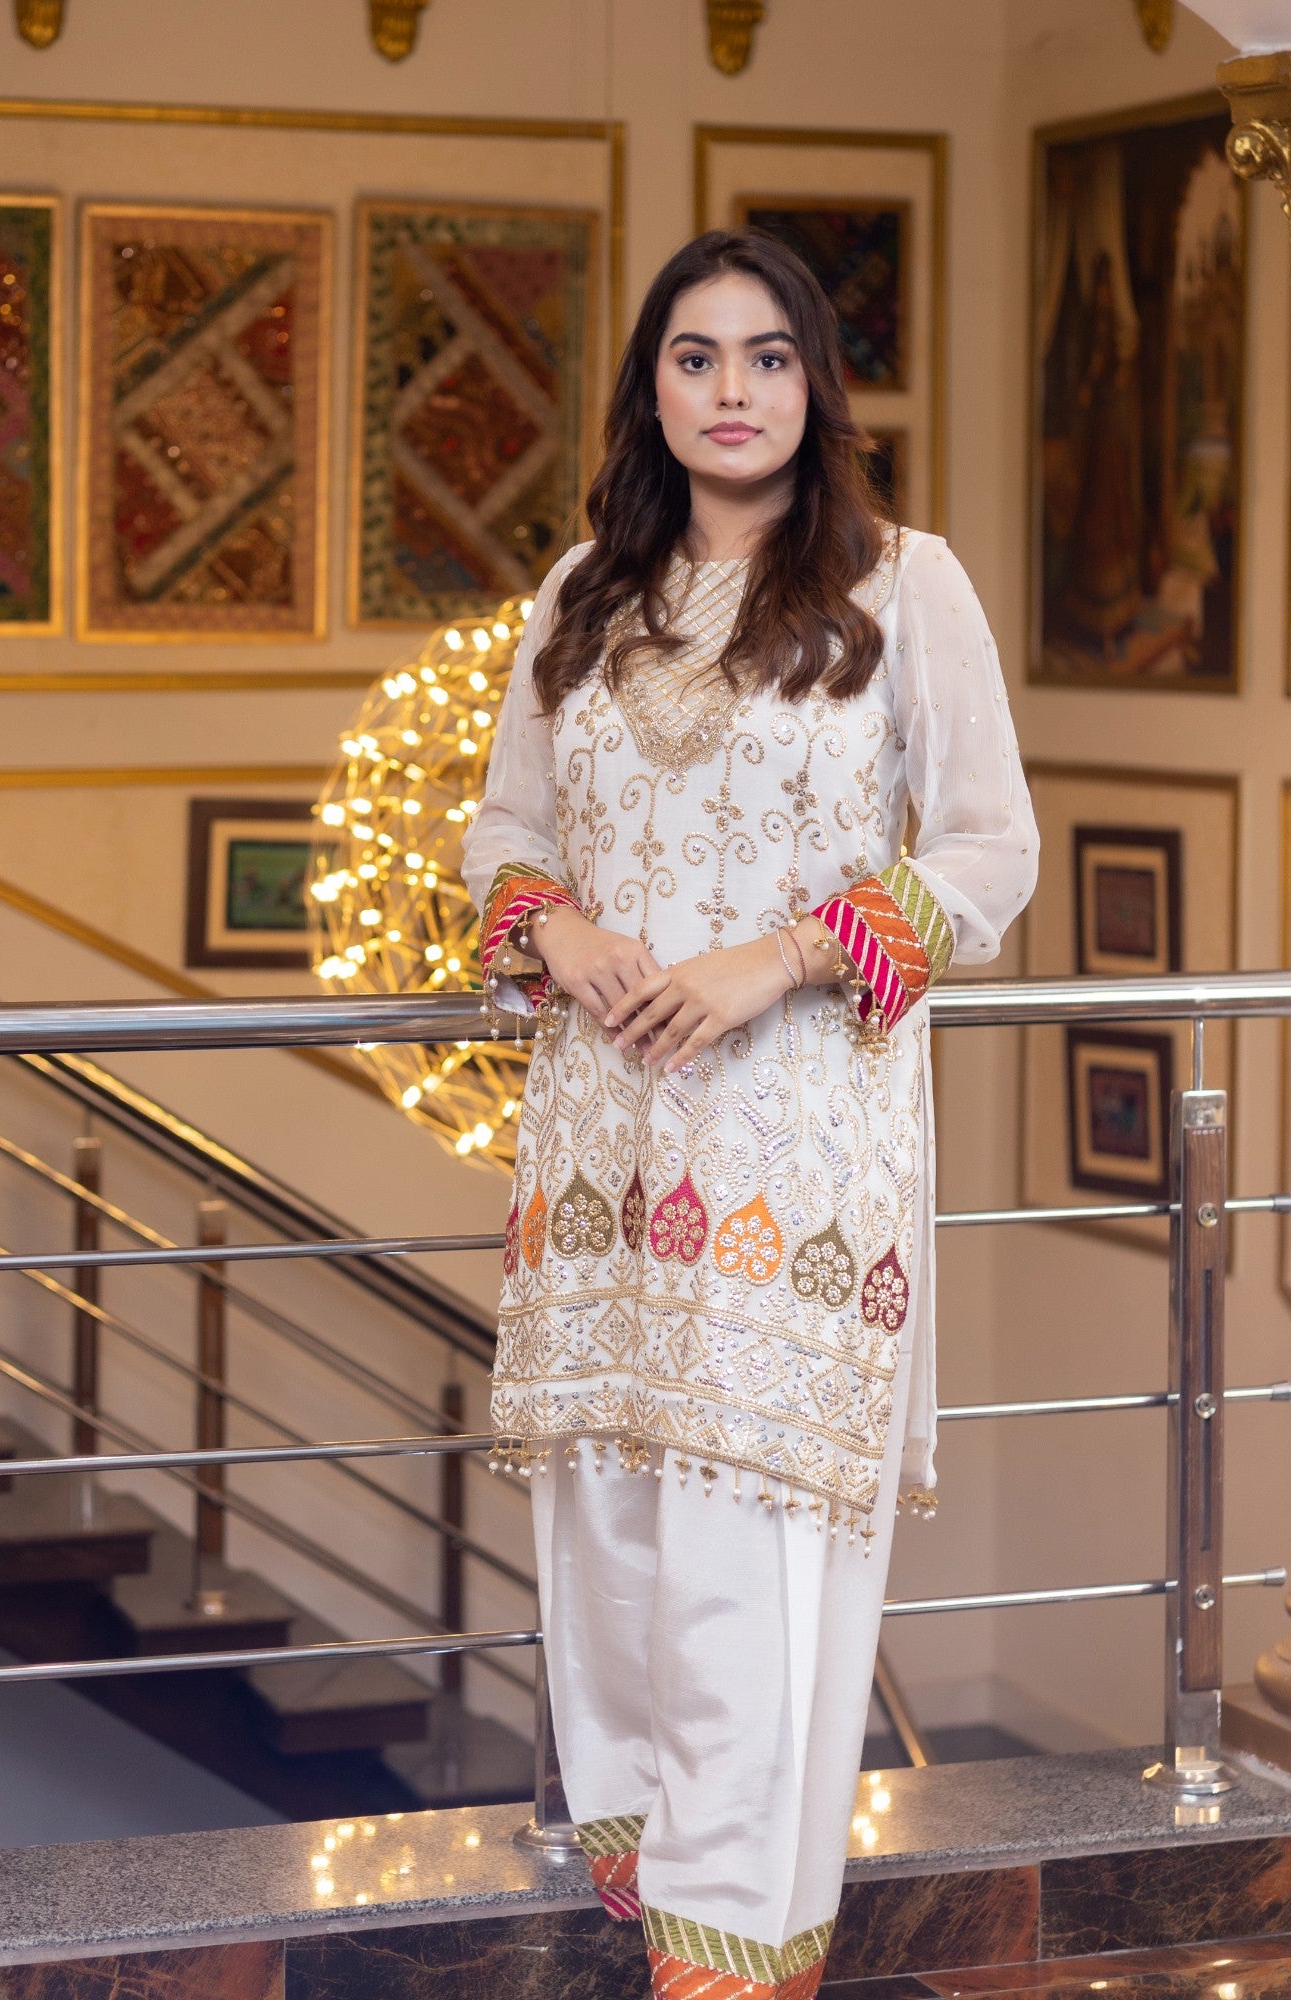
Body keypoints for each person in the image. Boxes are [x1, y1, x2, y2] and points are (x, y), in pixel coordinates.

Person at [460, 229, 1038, 2000]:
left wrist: (771, 962)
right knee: (616, 1531)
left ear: (816, 386)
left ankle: (738, 1947)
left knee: (752, 1555)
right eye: (697, 358)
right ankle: (648, 1884)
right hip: (604, 1133)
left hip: (799, 1136)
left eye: (768, 357)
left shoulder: (903, 587)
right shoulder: (584, 594)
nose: (732, 391)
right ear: (651, 385)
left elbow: (986, 852)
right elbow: (503, 832)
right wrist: (558, 928)